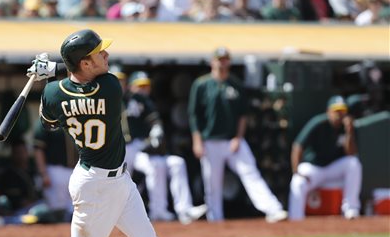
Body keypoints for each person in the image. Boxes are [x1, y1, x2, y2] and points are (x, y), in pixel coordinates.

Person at [0, 29, 208, 237]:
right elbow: (84, 80)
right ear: (85, 64)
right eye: (98, 54)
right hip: (96, 186)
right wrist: (54, 68)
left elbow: (50, 122)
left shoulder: (53, 94)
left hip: (116, 180)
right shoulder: (110, 88)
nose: (106, 55)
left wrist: (49, 74)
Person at [188, 47, 288, 223]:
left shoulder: (236, 84)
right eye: (219, 59)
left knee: (250, 172)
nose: (222, 62)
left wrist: (238, 137)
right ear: (212, 61)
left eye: (225, 59)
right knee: (212, 183)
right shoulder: (201, 84)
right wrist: (197, 141)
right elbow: (194, 115)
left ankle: (273, 209)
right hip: (210, 140)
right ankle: (215, 219)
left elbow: (243, 115)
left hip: (233, 140)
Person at [122, 70, 207, 224]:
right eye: (139, 86)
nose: (143, 89)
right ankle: (157, 211)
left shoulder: (148, 104)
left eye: (146, 86)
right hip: (130, 149)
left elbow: (156, 127)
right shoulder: (124, 101)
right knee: (155, 165)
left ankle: (184, 210)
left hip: (144, 148)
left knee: (177, 163)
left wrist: (156, 137)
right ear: (131, 87)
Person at [288, 96, 362, 220]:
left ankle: (351, 209)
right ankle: (295, 218)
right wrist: (296, 170)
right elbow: (297, 146)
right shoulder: (319, 122)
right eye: (336, 111)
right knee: (297, 181)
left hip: (334, 169)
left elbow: (351, 153)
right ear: (329, 111)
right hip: (314, 168)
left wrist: (349, 132)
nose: (340, 114)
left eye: (342, 111)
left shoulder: (348, 127)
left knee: (353, 163)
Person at [33, 121, 78, 221]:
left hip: (76, 171)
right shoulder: (46, 121)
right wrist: (43, 173)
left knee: (75, 211)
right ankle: (56, 236)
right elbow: (38, 149)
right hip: (55, 171)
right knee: (57, 211)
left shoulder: (74, 120)